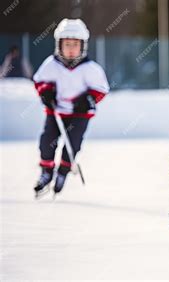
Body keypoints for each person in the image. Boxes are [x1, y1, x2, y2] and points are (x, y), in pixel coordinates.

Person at [32, 18, 109, 198]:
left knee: (72, 145)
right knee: (46, 142)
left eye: (75, 44)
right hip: (56, 112)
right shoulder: (51, 65)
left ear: (83, 46)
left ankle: (63, 172)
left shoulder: (90, 68)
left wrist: (88, 99)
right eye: (67, 44)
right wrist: (46, 92)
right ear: (59, 45)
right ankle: (46, 172)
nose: (71, 49)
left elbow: (102, 89)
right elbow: (39, 81)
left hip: (79, 115)